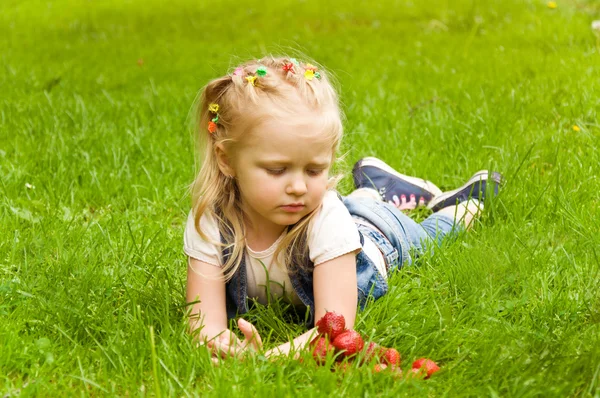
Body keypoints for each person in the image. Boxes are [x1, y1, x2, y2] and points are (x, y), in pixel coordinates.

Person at [183, 56, 501, 359]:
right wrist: (222, 347)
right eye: (277, 170)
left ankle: (462, 204)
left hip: (377, 239)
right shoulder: (211, 221)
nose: (298, 187)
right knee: (355, 208)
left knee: (430, 237)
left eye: (314, 170)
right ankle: (374, 189)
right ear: (226, 160)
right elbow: (202, 325)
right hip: (349, 219)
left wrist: (267, 358)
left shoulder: (328, 220)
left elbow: (334, 329)